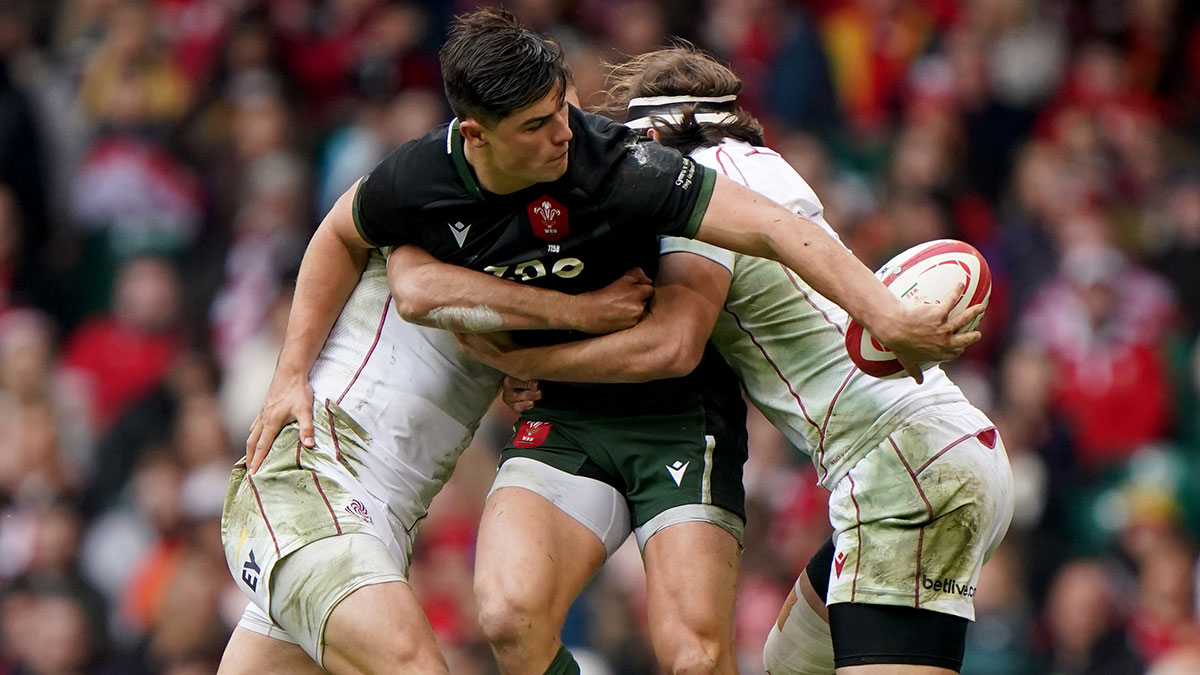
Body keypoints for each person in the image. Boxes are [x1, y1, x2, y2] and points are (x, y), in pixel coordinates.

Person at [233, 8, 977, 675]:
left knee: (694, 656)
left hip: (659, 424)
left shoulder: (608, 161)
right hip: (351, 473)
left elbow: (768, 227)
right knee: (490, 623)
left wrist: (884, 311)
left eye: (564, 109)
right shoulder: (423, 183)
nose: (565, 133)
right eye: (537, 125)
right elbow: (394, 272)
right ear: (476, 135)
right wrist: (288, 372)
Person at [456, 46, 1014, 675]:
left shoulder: (699, 185)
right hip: (935, 451)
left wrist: (531, 362)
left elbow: (673, 343)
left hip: (900, 470)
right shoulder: (763, 168)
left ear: (664, 127)